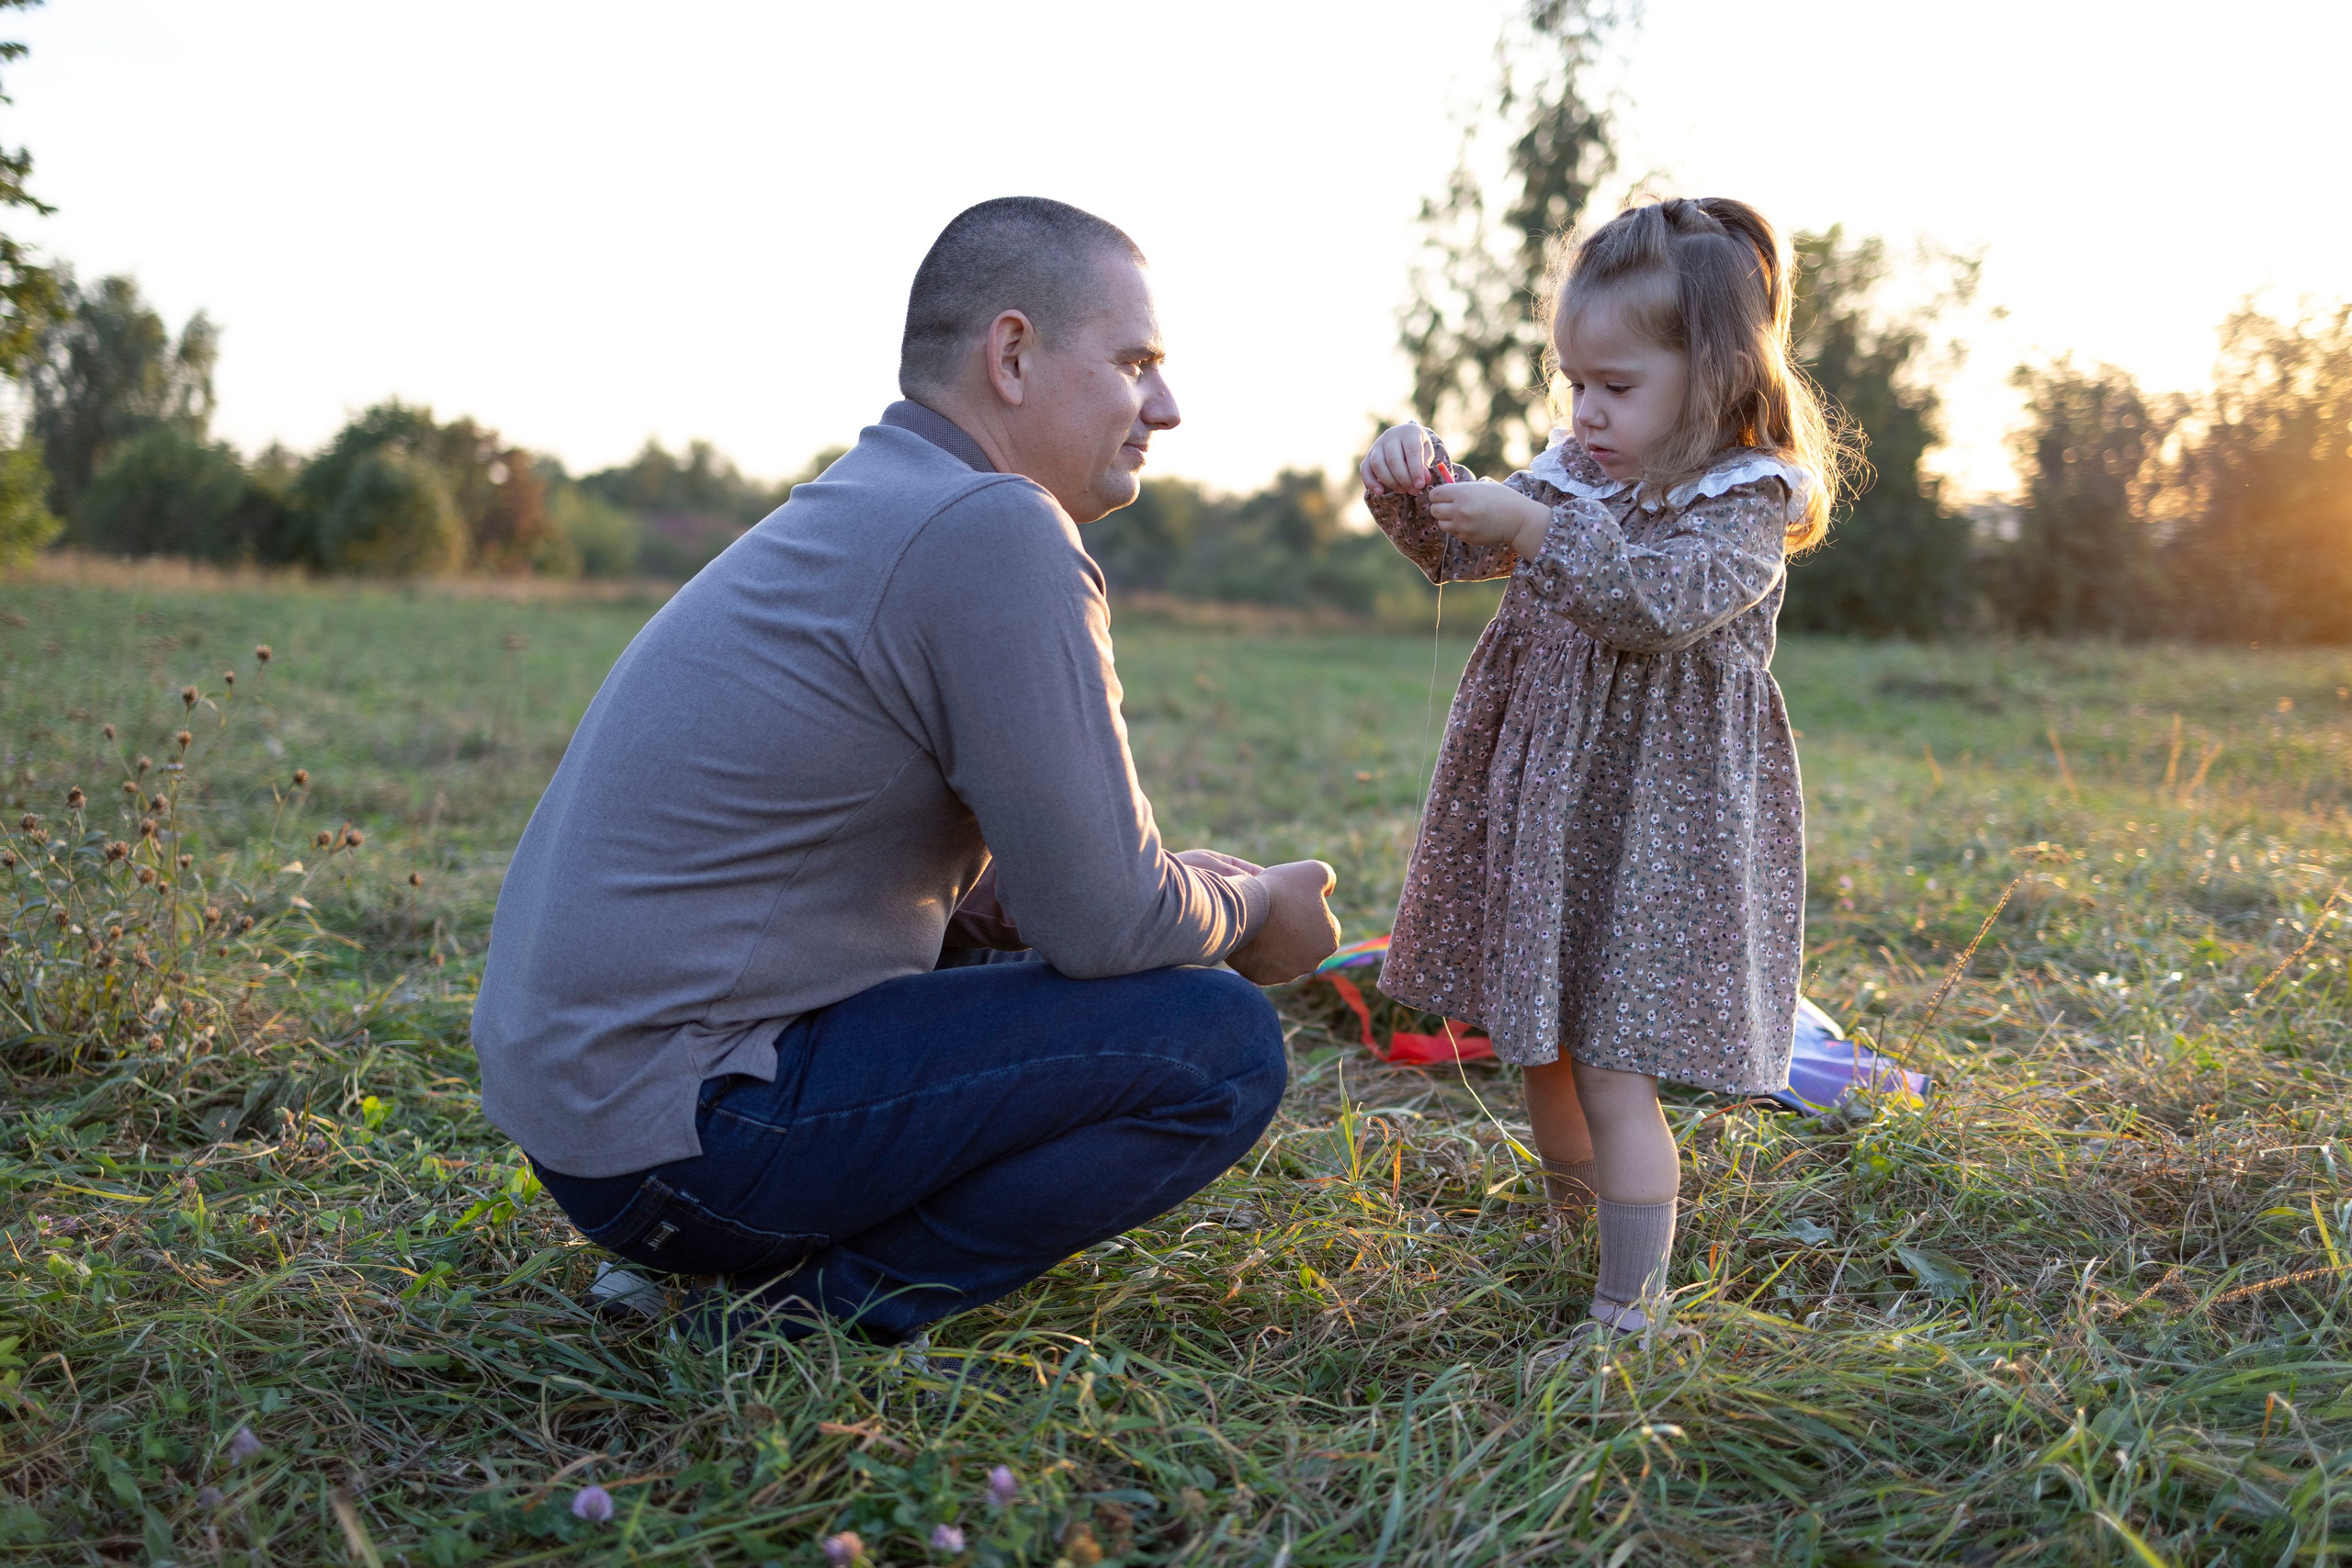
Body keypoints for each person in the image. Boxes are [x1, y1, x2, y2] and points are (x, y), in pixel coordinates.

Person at [472, 197, 1341, 1348]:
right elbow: (1107, 925)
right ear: (1014, 355)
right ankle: (812, 1319)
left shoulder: (877, 499)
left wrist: (1009, 907)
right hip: (684, 1138)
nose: (1166, 408)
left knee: (1082, 973)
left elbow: (924, 861)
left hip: (592, 1121)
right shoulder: (995, 528)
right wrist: (1254, 910)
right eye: (1136, 363)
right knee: (1212, 1044)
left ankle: (721, 1260)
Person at [1359, 197, 1839, 1347]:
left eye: (1614, 386)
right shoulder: (1577, 467)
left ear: (1717, 373)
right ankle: (1573, 1233)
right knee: (1546, 1043)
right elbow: (1469, 546)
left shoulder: (1748, 499)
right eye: (1571, 382)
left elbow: (1656, 605)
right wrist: (1414, 488)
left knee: (1616, 1062)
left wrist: (1532, 529)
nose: (1583, 411)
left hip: (1656, 824)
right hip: (1557, 801)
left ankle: (1631, 1310)